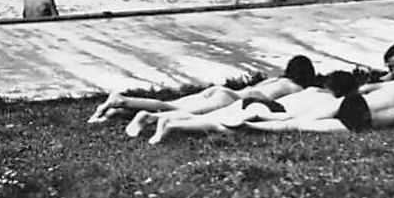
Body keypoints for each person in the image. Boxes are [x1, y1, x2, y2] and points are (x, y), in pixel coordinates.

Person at [87, 55, 318, 131]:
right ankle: (121, 100)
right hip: (229, 99)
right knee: (171, 109)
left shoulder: (277, 79)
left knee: (169, 103)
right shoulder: (297, 88)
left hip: (223, 91)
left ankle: (114, 112)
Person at [148, 70, 363, 144]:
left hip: (253, 101)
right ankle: (174, 126)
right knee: (220, 126)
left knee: (215, 116)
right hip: (271, 110)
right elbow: (300, 119)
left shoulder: (310, 90)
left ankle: (167, 119)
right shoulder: (329, 102)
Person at [244, 79, 394, 135]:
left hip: (354, 102)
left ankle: (268, 117)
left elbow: (365, 88)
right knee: (296, 126)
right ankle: (253, 126)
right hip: (363, 124)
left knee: (304, 118)